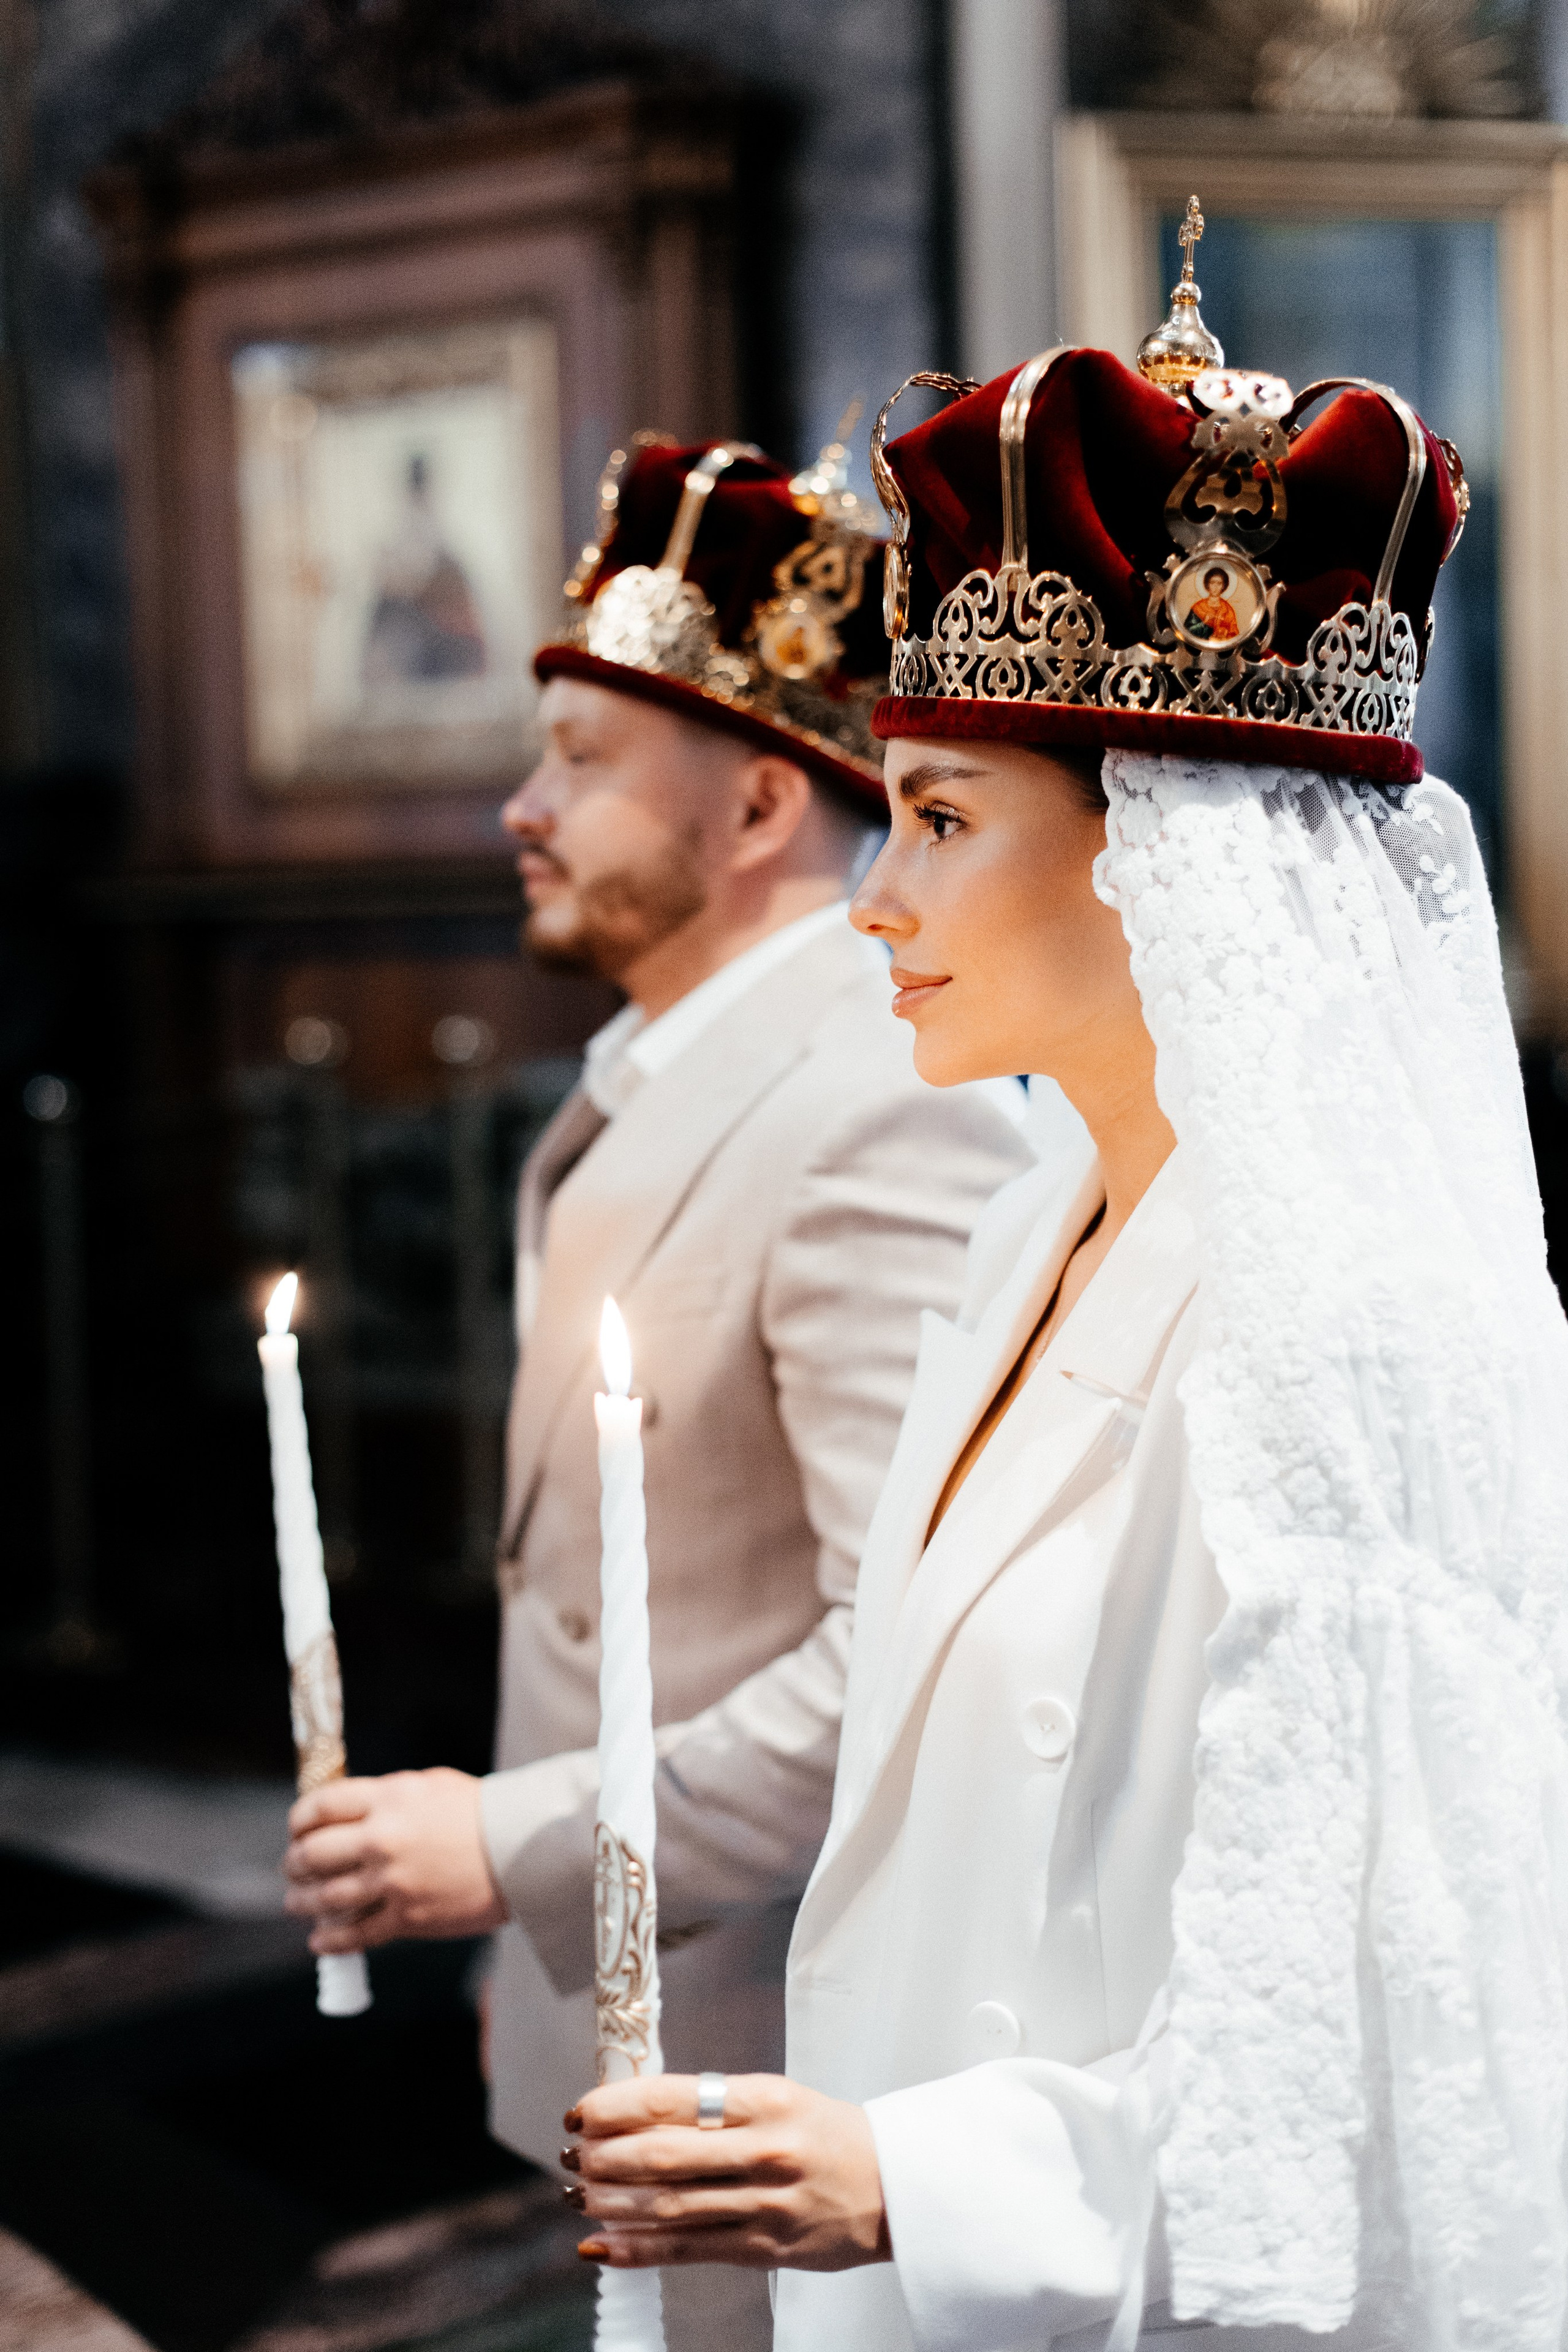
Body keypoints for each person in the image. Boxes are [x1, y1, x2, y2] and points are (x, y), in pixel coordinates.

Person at [559, 341, 1568, 2346]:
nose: (875, 902)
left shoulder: (1351, 1332)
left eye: (938, 820)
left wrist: (912, 2180)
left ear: (1173, 847)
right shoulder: (1033, 1231)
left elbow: (1408, 2041)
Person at [284, 431, 1033, 2350]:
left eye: (580, 760)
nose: (522, 808)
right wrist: (537, 1949)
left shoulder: (882, 1105)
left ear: (763, 801)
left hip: (776, 2043)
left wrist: (511, 1848)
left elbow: (914, 1657)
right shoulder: (667, 1064)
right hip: (635, 1972)